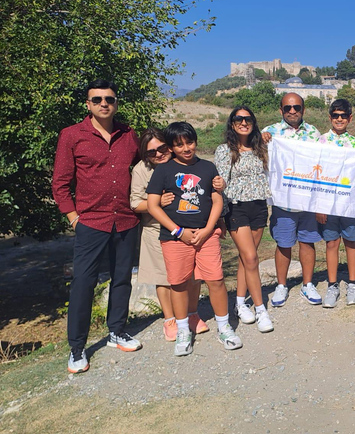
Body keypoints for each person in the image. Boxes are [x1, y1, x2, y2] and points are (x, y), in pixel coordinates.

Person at [52, 79, 142, 374]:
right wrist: (74, 219)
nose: (104, 103)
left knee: (122, 279)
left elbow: (146, 166)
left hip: (126, 220)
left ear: (116, 103)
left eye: (110, 99)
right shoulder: (71, 135)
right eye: (98, 99)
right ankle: (77, 348)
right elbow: (60, 184)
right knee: (83, 284)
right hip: (90, 222)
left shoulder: (129, 135)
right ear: (87, 104)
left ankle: (117, 331)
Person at [147, 122, 242, 356]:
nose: (186, 148)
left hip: (205, 236)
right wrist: (178, 231)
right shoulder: (163, 171)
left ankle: (224, 326)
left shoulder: (208, 168)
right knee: (178, 284)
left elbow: (217, 200)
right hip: (175, 238)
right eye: (179, 145)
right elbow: (153, 205)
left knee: (216, 280)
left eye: (189, 142)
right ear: (171, 147)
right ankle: (182, 330)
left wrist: (209, 229)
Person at [131, 128, 214, 342]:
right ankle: (170, 319)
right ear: (145, 154)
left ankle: (191, 314)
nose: (158, 154)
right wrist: (155, 203)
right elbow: (134, 202)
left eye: (162, 148)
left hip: (188, 228)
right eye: (151, 152)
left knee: (193, 275)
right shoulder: (141, 170)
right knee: (165, 277)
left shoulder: (185, 165)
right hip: (156, 229)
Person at [214, 107, 274, 333]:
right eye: (238, 119)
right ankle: (261, 309)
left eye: (248, 119)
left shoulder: (261, 147)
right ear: (232, 123)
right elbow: (219, 182)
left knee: (244, 259)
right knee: (251, 258)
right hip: (236, 207)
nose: (243, 122)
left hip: (258, 206)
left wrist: (268, 137)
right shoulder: (224, 150)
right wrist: (219, 215)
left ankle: (240, 302)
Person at [261, 93, 323, 307]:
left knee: (307, 241)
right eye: (288, 108)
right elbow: (256, 158)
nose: (292, 111)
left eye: (296, 107)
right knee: (284, 243)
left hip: (308, 200)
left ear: (303, 109)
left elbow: (324, 162)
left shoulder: (314, 133)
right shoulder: (269, 133)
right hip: (283, 201)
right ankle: (281, 285)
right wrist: (261, 143)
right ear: (281, 111)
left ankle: (307, 284)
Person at [316, 99, 355, 308]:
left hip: (349, 204)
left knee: (351, 242)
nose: (339, 119)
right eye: (335, 115)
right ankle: (332, 285)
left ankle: (353, 284)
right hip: (328, 203)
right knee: (331, 243)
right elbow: (316, 175)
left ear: (349, 118)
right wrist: (319, 206)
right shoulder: (321, 141)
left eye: (343, 116)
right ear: (330, 118)